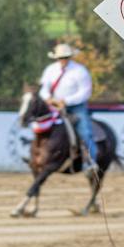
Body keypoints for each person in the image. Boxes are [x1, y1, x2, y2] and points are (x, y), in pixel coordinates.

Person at [39, 43, 98, 171]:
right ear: (56, 58)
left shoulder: (80, 71)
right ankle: (38, 155)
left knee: (85, 132)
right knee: (40, 127)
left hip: (76, 107)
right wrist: (48, 98)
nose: (63, 60)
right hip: (54, 107)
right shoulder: (50, 70)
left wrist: (66, 101)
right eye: (60, 57)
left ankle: (91, 163)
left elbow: (85, 92)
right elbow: (43, 88)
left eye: (65, 57)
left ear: (70, 57)